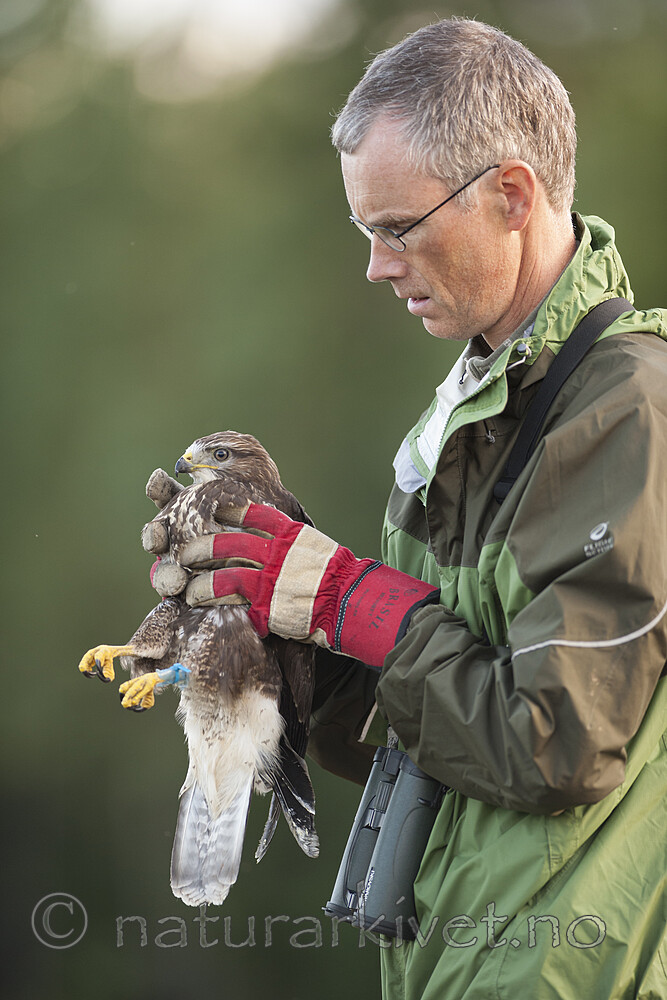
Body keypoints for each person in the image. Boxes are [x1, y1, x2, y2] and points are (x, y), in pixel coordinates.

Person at [181, 19, 667, 999]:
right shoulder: (472, 407)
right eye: (365, 231)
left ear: (512, 194)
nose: (376, 264)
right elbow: (440, 731)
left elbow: (553, 744)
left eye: (396, 228)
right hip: (449, 966)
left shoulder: (631, 409)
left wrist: (358, 601)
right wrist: (295, 648)